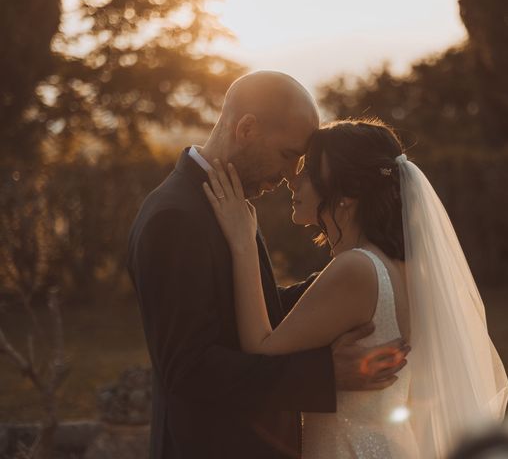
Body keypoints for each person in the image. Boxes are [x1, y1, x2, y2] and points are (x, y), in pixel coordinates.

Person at [126, 71, 410, 459]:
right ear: (246, 129)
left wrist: (349, 287)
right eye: (289, 154)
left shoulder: (225, 202)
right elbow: (189, 369)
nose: (292, 175)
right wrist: (324, 374)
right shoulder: (176, 217)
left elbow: (234, 307)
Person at [203, 118, 508, 458]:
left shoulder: (357, 269)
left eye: (308, 171)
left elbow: (261, 352)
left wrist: (242, 243)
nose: (294, 180)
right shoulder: (398, 266)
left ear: (346, 194)